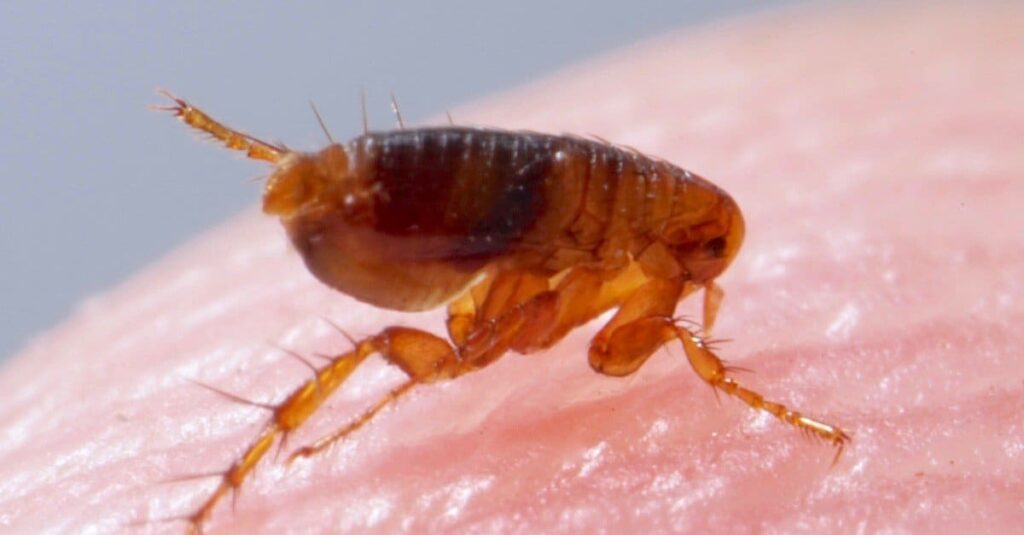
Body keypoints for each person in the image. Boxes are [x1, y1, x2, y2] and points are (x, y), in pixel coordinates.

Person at [1, 2, 1021, 532]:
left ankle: (291, 195)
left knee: (387, 347)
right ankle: (218, 491)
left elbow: (549, 336)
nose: (692, 286)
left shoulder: (615, 229)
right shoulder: (616, 235)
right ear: (681, 241)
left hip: (454, 225)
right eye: (702, 261)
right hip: (432, 218)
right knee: (392, 335)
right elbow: (608, 340)